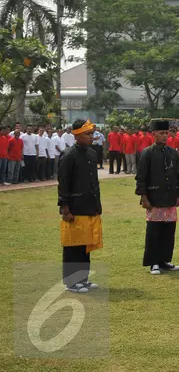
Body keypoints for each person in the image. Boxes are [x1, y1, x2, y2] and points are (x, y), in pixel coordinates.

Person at [58, 119, 103, 293]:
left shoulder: (92, 153)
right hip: (74, 207)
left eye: (92, 133)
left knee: (85, 244)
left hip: (89, 205)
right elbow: (63, 183)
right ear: (77, 135)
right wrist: (65, 207)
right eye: (88, 134)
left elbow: (94, 183)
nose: (92, 137)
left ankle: (83, 279)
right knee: (73, 246)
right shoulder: (69, 155)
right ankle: (71, 282)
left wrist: (97, 206)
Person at [136, 120, 179, 276]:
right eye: (161, 133)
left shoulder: (173, 152)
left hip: (170, 197)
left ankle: (164, 260)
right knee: (154, 231)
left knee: (168, 231)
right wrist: (144, 197)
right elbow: (141, 177)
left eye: (166, 133)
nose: (165, 136)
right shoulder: (147, 153)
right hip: (154, 198)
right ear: (153, 134)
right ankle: (153, 262)